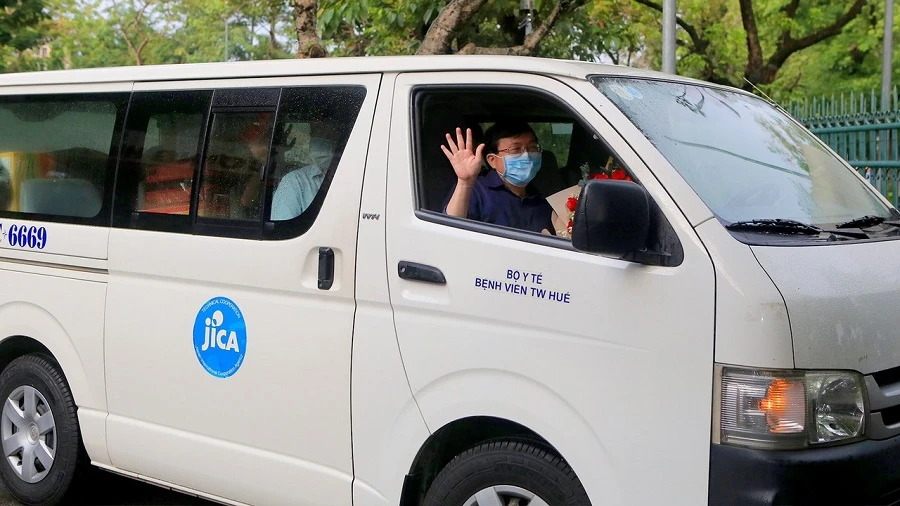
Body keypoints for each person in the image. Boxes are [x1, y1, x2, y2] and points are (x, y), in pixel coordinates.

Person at [442, 120, 554, 234]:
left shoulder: (540, 198)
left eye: (533, 147)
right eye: (515, 149)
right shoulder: (475, 190)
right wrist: (464, 182)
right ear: (492, 160)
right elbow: (450, 229)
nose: (527, 155)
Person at [270, 136, 334, 221]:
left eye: (327, 135)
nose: (319, 142)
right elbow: (284, 227)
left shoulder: (350, 180)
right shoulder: (295, 182)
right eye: (315, 134)